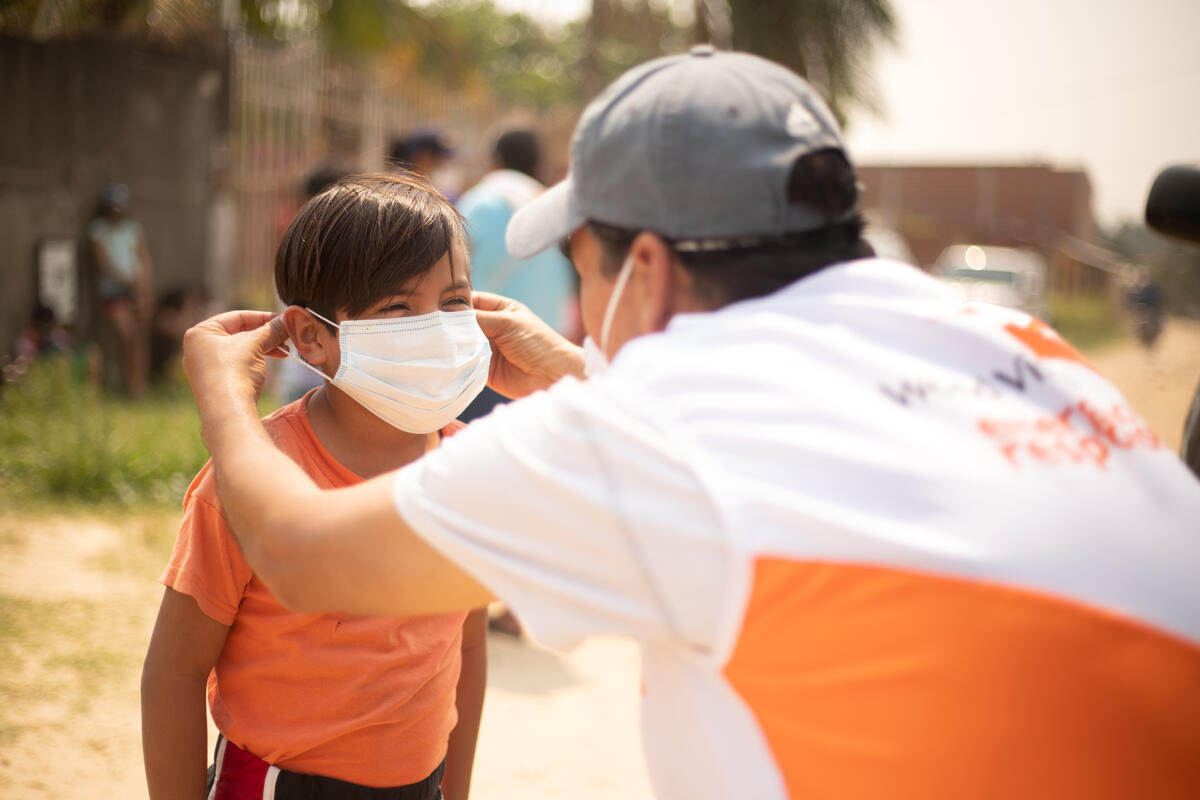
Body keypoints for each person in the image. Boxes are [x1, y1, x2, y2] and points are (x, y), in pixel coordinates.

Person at [182, 49, 1200, 799]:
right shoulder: (1027, 348)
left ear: (650, 268)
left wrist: (225, 388)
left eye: (582, 264)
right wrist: (586, 371)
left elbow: (305, 553)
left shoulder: (658, 436)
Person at [141, 173, 488, 800]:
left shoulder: (473, 468)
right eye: (398, 308)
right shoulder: (250, 480)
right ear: (313, 337)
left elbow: (466, 642)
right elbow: (175, 670)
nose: (435, 328)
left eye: (455, 302)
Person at [456, 130, 578, 431]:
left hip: (486, 353)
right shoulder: (548, 203)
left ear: (496, 160)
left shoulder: (482, 202)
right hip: (547, 347)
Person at [87, 182, 153, 397]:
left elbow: (143, 259)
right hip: (114, 291)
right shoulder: (98, 230)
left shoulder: (132, 229)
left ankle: (137, 385)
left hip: (136, 289)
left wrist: (143, 288)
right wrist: (128, 282)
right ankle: (127, 379)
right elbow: (104, 265)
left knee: (138, 338)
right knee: (126, 334)